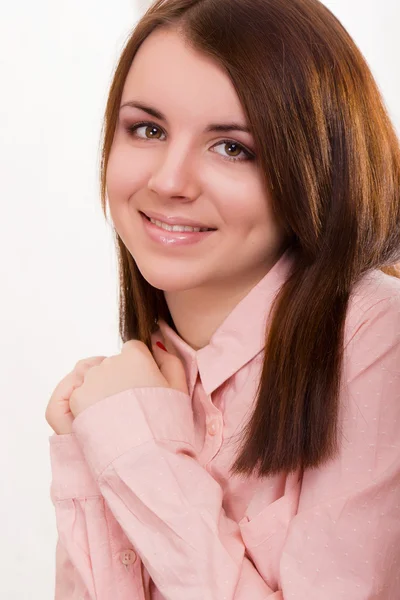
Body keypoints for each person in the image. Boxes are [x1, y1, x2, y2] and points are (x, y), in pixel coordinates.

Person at [45, 0, 400, 597]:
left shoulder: (375, 340)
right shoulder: (141, 380)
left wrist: (133, 448)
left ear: (317, 168)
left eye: (232, 146)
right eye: (148, 129)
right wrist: (92, 449)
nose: (169, 181)